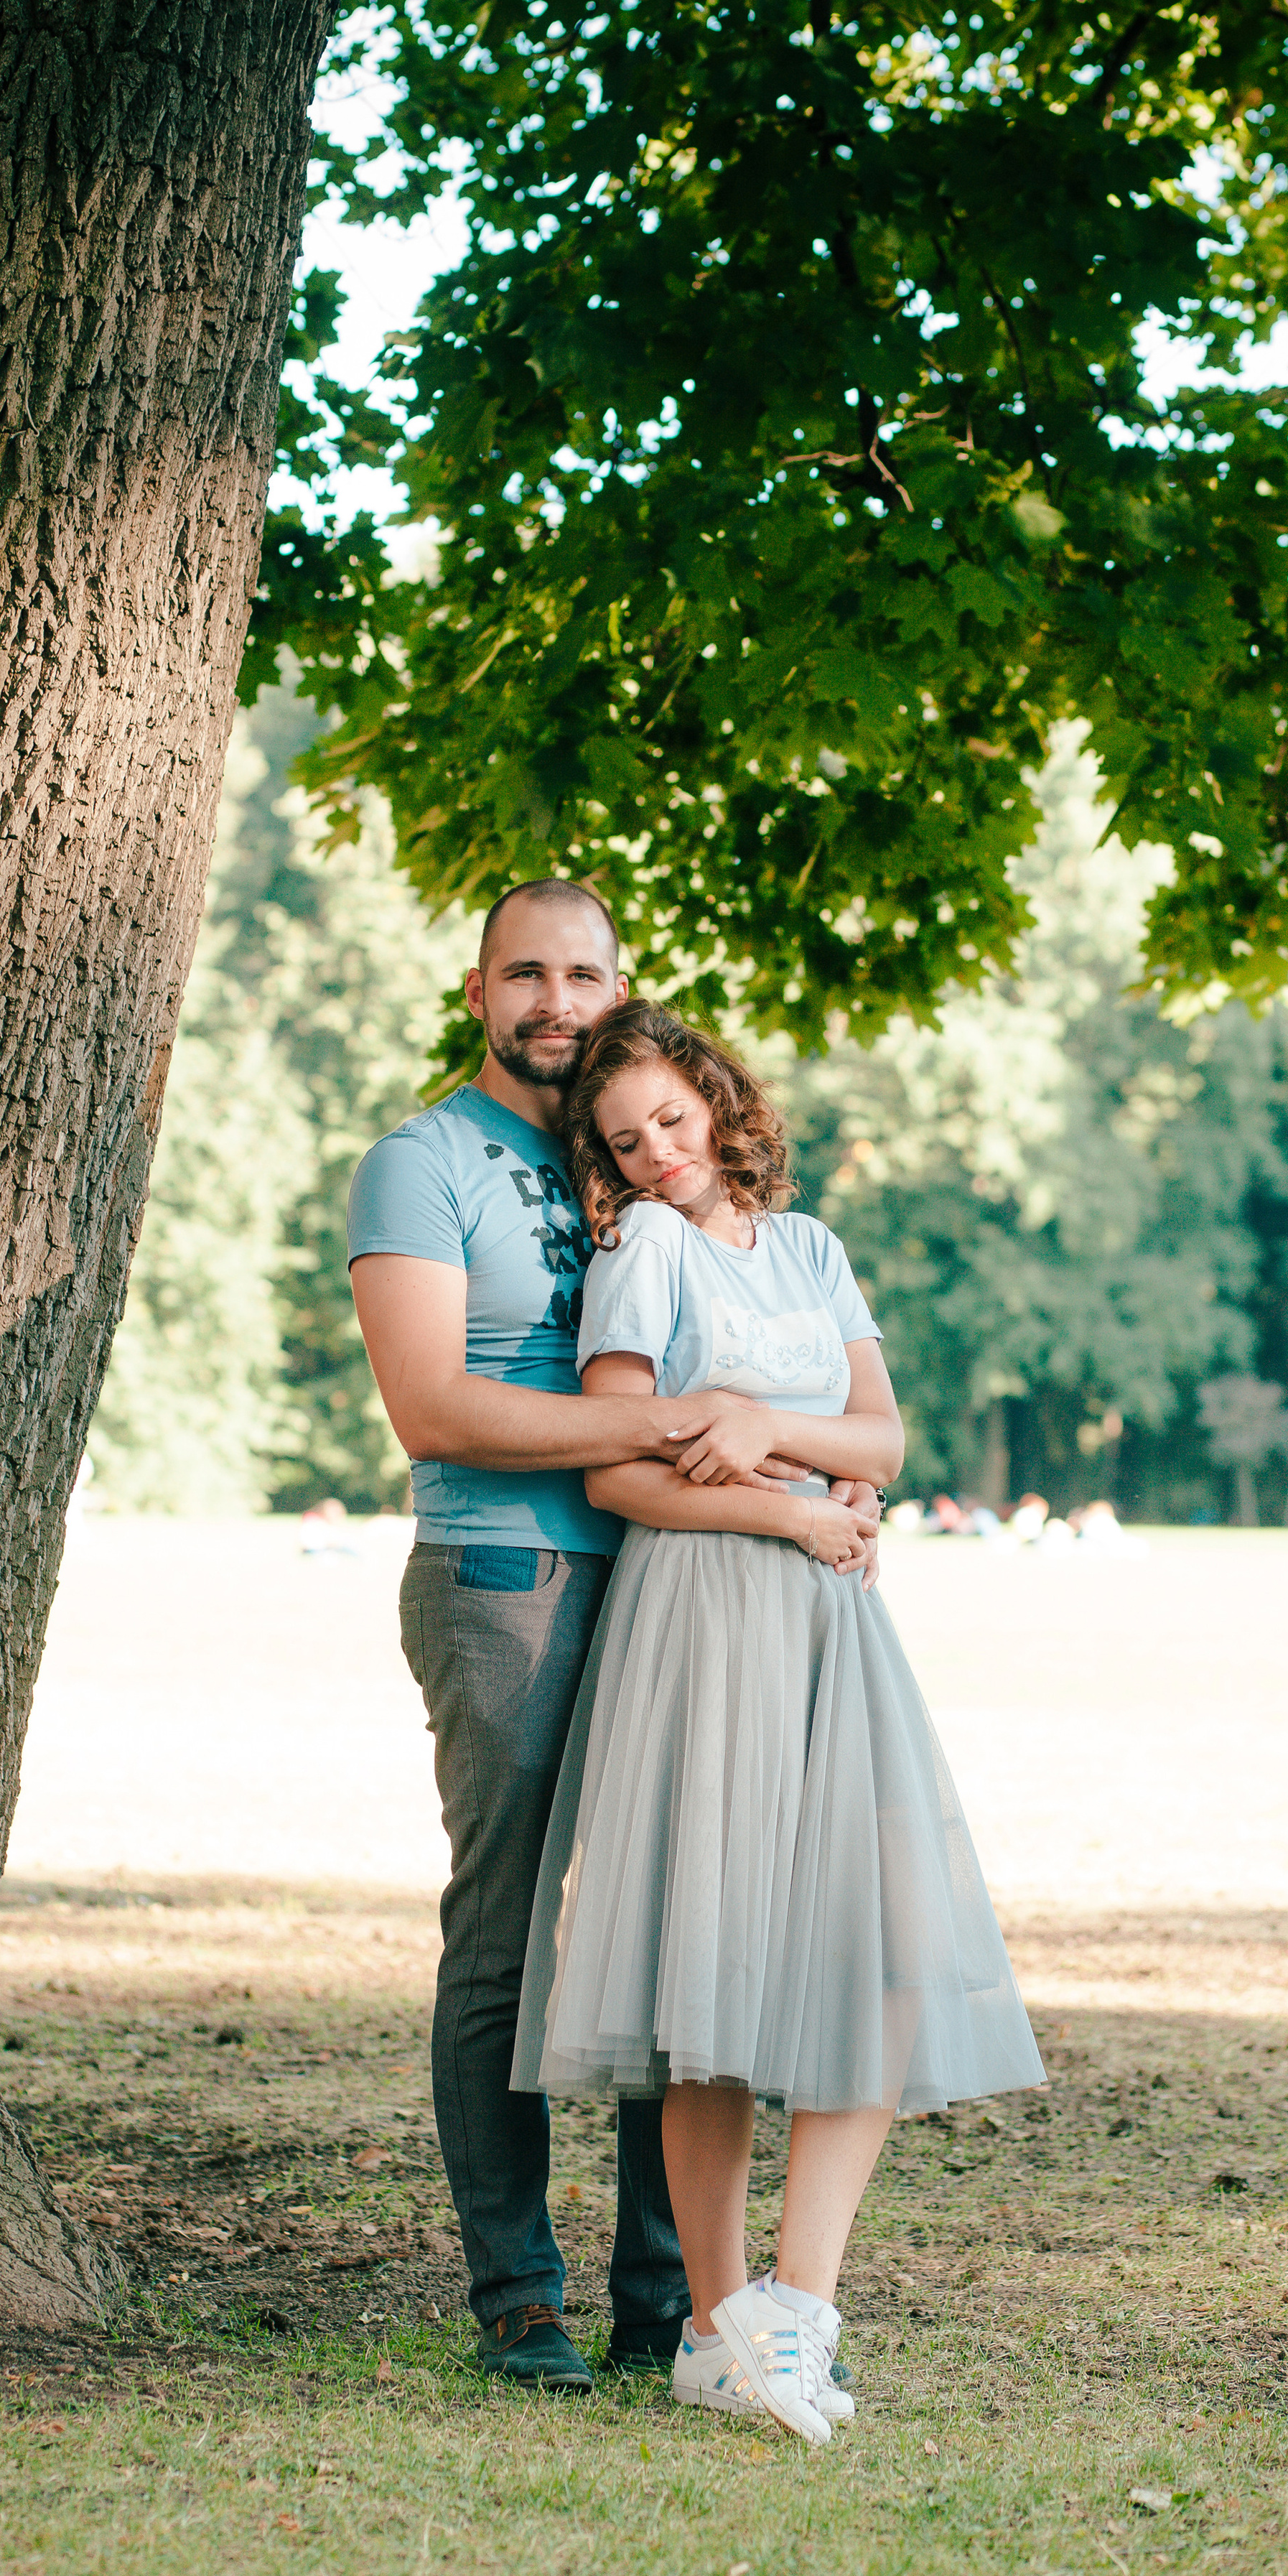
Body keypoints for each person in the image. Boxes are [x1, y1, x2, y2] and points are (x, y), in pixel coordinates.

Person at [347, 885, 882, 2394]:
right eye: (525, 972)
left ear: (619, 991)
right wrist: (692, 1428)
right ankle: (519, 2293)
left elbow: (783, 1347)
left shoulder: (639, 1162)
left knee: (677, 1936)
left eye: (581, 973)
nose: (554, 1000)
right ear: (477, 991)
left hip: (678, 1581)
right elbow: (433, 1406)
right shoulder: (424, 1165)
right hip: (508, 1576)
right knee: (509, 1939)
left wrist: (794, 1456)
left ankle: (676, 2301)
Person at [512, 1001, 1045, 2444]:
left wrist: (760, 1419)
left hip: (829, 1632)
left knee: (868, 1949)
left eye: (670, 1121)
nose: (654, 1153)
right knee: (716, 1981)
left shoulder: (809, 1251)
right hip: (704, 1613)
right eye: (622, 1142)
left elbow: (879, 1441)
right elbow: (621, 1474)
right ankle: (705, 2324)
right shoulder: (640, 1255)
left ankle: (795, 2313)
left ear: (713, 1094)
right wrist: (779, 1510)